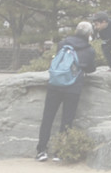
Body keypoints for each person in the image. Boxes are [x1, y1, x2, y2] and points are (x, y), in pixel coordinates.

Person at [36, 21, 97, 162]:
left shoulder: (62, 44)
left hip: (55, 84)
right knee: (67, 120)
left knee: (48, 117)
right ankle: (59, 152)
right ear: (89, 34)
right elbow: (90, 68)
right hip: (73, 87)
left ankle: (41, 151)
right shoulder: (89, 50)